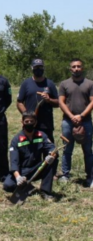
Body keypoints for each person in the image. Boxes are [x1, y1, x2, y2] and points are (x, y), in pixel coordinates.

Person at [3, 111, 57, 200]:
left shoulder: (41, 135)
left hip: (37, 168)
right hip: (21, 171)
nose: (29, 124)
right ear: (22, 122)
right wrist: (18, 177)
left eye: (32, 122)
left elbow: (52, 148)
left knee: (51, 161)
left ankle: (45, 191)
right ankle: (28, 187)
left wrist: (51, 155)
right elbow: (14, 162)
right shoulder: (16, 140)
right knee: (7, 185)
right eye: (27, 121)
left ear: (35, 122)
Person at [58, 58, 93, 187]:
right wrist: (72, 116)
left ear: (82, 68)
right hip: (68, 121)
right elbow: (61, 102)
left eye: (79, 66)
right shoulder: (64, 84)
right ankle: (65, 175)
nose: (76, 69)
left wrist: (81, 115)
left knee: (88, 150)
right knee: (67, 149)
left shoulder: (90, 84)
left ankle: (90, 177)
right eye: (74, 67)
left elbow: (92, 101)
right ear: (70, 69)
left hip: (86, 121)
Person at [17, 58, 59, 143]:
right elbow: (19, 102)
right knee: (32, 150)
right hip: (30, 124)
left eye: (40, 67)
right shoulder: (26, 83)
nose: (38, 69)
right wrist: (27, 115)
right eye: (36, 67)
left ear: (43, 68)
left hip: (46, 124)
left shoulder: (50, 83)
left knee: (48, 149)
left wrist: (49, 99)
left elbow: (58, 103)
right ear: (32, 68)